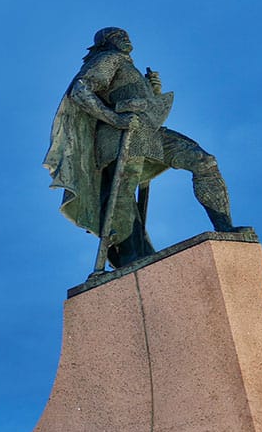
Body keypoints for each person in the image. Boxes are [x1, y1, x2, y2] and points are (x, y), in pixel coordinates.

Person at [44, 26, 236, 269]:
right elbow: (80, 91)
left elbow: (132, 99)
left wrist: (152, 91)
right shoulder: (109, 58)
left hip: (147, 130)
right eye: (116, 36)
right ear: (104, 43)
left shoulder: (126, 65)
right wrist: (115, 118)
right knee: (123, 190)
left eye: (125, 34)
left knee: (204, 162)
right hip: (119, 134)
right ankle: (130, 255)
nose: (124, 38)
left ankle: (225, 227)